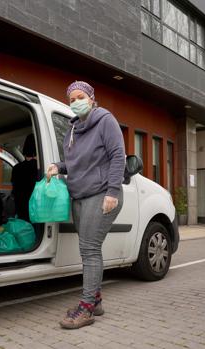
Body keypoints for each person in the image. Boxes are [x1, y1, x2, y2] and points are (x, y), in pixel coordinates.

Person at [46, 81, 125, 329]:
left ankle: (87, 307)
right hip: (78, 195)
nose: (76, 102)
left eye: (80, 97)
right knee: (88, 249)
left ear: (91, 98)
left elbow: (117, 156)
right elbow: (76, 164)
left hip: (101, 194)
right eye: (71, 99)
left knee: (89, 249)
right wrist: (58, 167)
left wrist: (112, 191)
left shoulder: (105, 121)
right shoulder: (72, 130)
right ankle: (96, 300)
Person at [11, 134, 38, 221]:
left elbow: (15, 191)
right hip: (36, 214)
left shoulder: (16, 169)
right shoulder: (40, 168)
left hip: (21, 214)